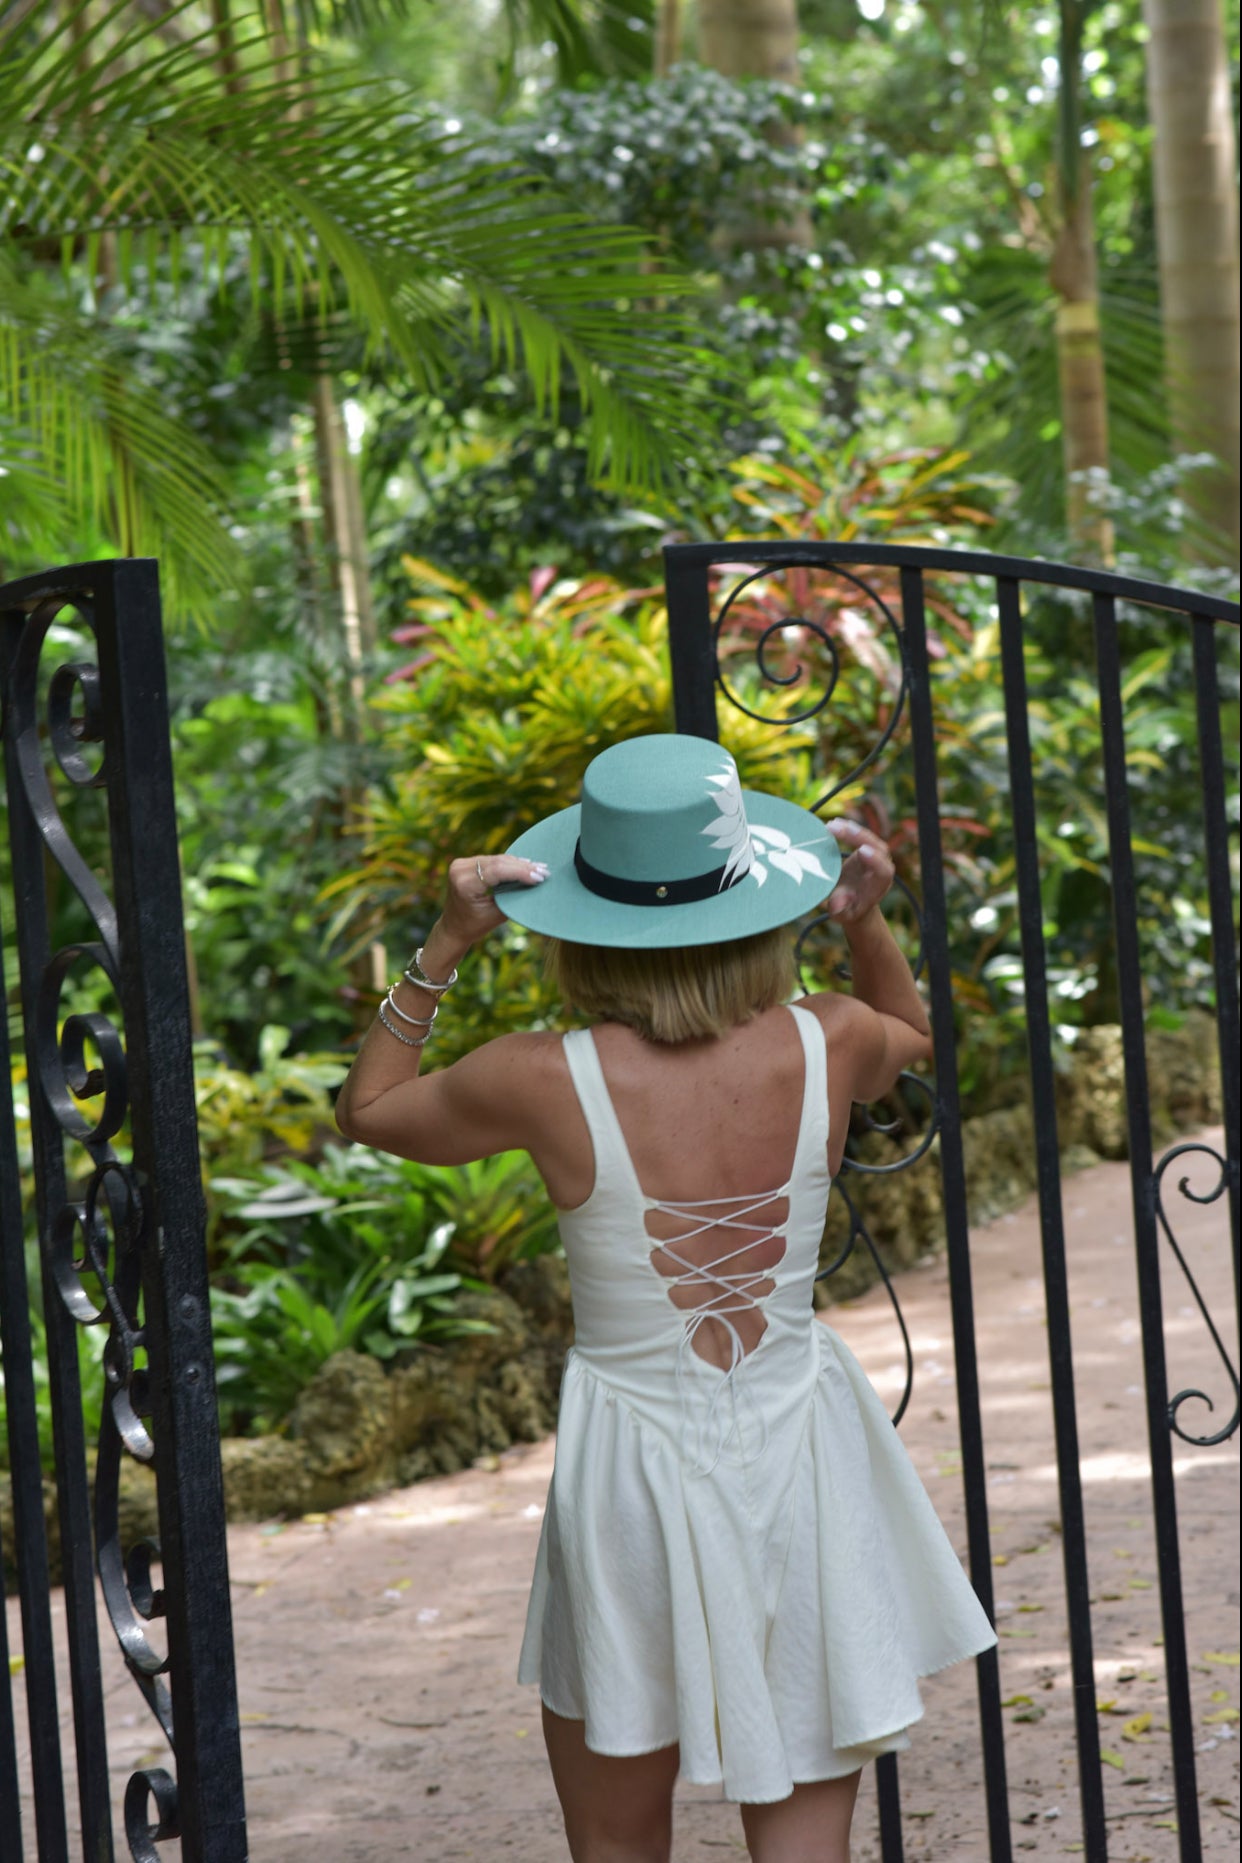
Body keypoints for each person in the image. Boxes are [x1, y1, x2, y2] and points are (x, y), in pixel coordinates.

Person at [335, 733, 996, 1863]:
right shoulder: (832, 1038)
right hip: (799, 1452)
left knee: (618, 1840)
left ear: (586, 919)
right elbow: (916, 1040)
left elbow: (370, 1110)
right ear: (754, 905)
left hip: (631, 1472)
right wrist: (866, 920)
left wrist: (445, 940)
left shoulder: (540, 1075)